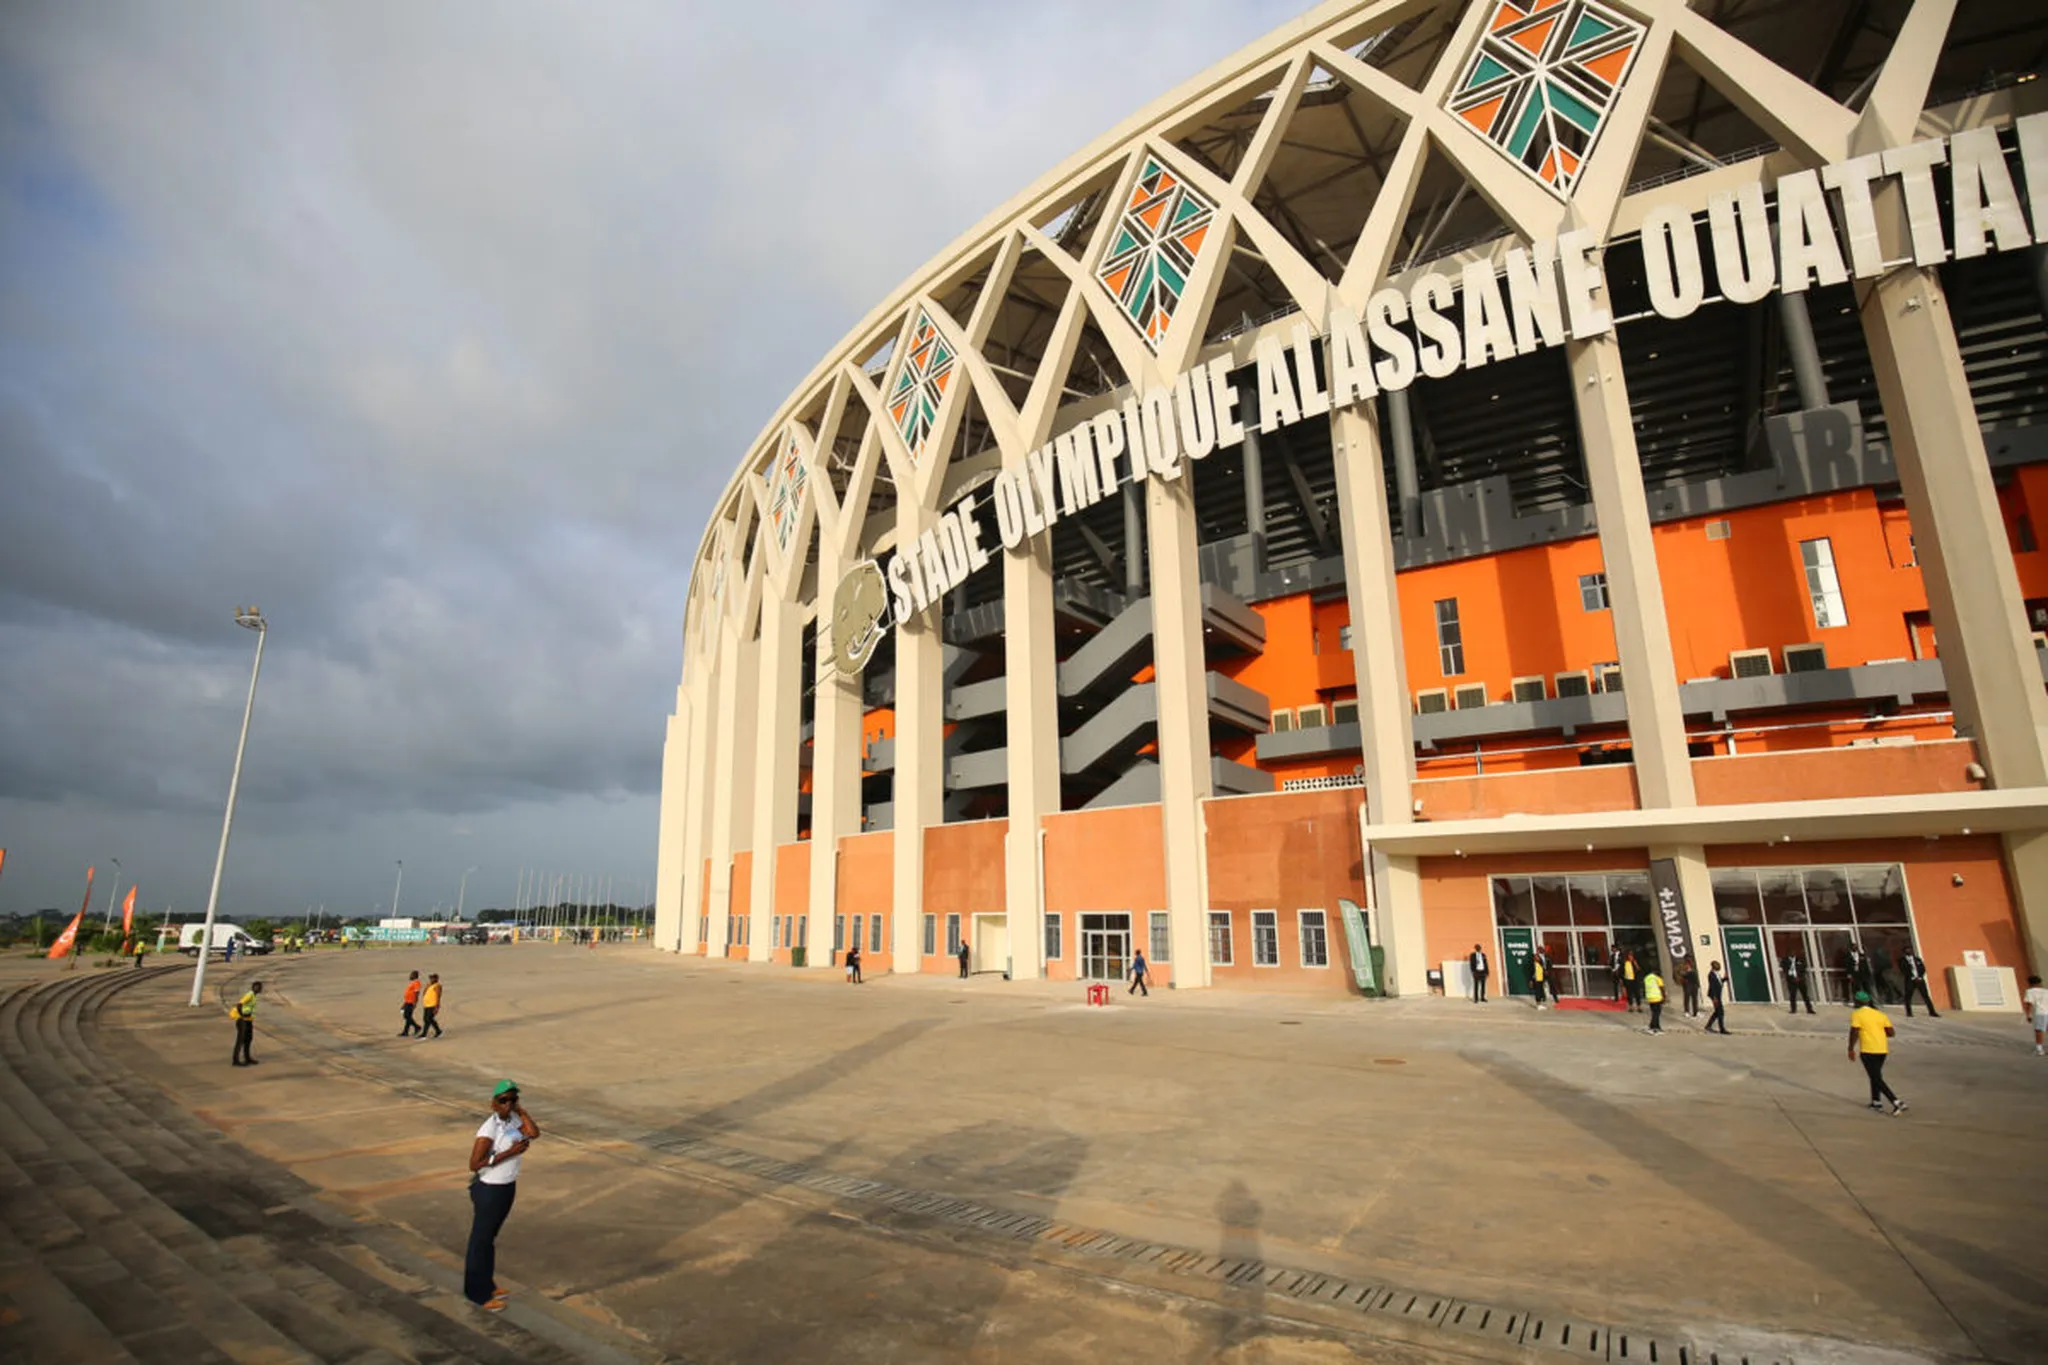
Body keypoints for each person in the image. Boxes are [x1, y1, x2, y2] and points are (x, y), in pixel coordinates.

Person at [466, 1079, 540, 1310]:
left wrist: (521, 1111)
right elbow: (475, 1163)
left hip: (507, 1185)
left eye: (512, 1099)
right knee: (480, 1241)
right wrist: (509, 1153)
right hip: (490, 1188)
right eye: (503, 1100)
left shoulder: (513, 1119)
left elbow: (533, 1133)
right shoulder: (489, 1129)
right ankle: (476, 1292)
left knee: (489, 1240)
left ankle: (487, 1284)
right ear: (494, 1104)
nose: (508, 1103)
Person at [1847, 990, 1906, 1114]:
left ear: (1857, 1002)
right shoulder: (1880, 1014)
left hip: (1868, 1050)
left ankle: (1896, 1101)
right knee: (1875, 1076)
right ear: (1868, 1001)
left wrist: (1850, 1048)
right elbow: (1891, 1033)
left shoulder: (1857, 1014)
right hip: (1882, 1049)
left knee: (1876, 1078)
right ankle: (1876, 1102)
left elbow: (1854, 1032)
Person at [230, 981, 263, 1066]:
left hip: (248, 1020)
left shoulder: (254, 996)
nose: (259, 989)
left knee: (248, 1039)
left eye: (260, 987)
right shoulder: (249, 995)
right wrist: (242, 1016)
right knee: (240, 1040)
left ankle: (247, 1058)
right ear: (254, 987)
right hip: (243, 1021)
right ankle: (236, 1060)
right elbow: (239, 1004)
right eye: (258, 987)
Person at [1900, 950, 1940, 1018]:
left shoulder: (1917, 959)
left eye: (1909, 950)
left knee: (1926, 996)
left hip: (1920, 980)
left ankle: (1932, 1012)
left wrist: (1919, 977)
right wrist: (1912, 977)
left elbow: (1923, 968)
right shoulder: (1902, 961)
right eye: (1906, 950)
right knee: (1908, 997)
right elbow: (1903, 970)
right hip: (1910, 981)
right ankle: (1909, 1012)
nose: (1908, 951)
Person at [1704, 960, 1731, 1034]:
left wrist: (1725, 979)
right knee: (1720, 1012)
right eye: (1717, 966)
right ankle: (1722, 1029)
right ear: (1714, 967)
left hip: (1718, 995)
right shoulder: (1711, 975)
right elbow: (1712, 986)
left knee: (1717, 1012)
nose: (1719, 967)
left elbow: (1719, 982)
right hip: (1715, 996)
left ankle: (1708, 1026)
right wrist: (1715, 998)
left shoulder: (1717, 974)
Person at [2025, 975, 2048, 1056]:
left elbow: (2029, 1004)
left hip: (2040, 1013)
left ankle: (2039, 1050)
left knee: (2039, 1031)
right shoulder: (2046, 991)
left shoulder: (2030, 991)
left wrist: (2028, 1015)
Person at [420, 973, 444, 1038]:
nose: (431, 979)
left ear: (436, 979)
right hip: (427, 1005)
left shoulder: (437, 986)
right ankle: (438, 1031)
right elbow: (424, 993)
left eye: (432, 978)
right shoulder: (429, 985)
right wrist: (427, 986)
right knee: (426, 1019)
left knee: (429, 1019)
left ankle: (425, 1033)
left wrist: (437, 1006)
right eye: (430, 978)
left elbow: (438, 996)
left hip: (433, 1005)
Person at [1643, 967, 1666, 1034]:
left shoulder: (1646, 978)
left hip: (1650, 997)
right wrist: (1664, 997)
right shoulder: (1657, 978)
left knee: (1654, 1012)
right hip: (1657, 997)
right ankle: (1652, 1027)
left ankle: (1658, 1027)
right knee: (1656, 1013)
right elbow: (1662, 988)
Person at [400, 970, 423, 1037]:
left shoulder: (416, 983)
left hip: (411, 1002)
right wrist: (404, 1004)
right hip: (407, 1001)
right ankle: (405, 1031)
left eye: (411, 975)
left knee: (406, 1016)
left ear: (415, 975)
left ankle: (417, 1027)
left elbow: (417, 993)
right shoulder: (412, 983)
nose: (410, 976)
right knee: (408, 1017)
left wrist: (415, 1003)